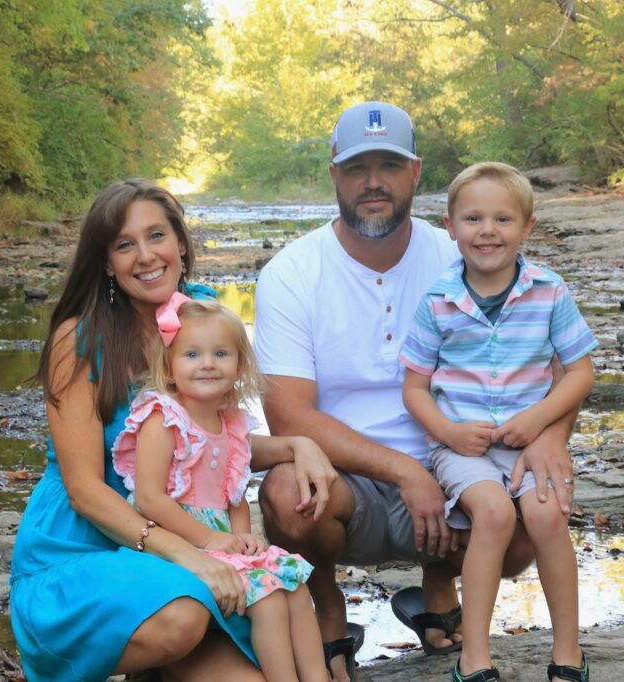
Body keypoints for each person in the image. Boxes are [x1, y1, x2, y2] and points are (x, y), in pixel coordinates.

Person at [252, 102, 583, 682]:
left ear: (415, 173)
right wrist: (407, 473)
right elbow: (288, 417)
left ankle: (439, 587)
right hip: (344, 480)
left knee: (535, 513)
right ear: (334, 173)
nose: (373, 182)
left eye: (389, 165)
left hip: (462, 460)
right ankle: (329, 608)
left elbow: (555, 358)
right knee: (285, 493)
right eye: (358, 168)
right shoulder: (292, 272)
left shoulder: (456, 250)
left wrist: (551, 434)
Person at [9, 178, 336, 682]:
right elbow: (84, 490)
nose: (145, 255)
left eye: (156, 235)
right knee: (183, 617)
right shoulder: (80, 339)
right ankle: (147, 652)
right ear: (106, 262)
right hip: (88, 548)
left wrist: (297, 444)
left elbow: (210, 441)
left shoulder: (198, 317)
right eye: (124, 244)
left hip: (181, 539)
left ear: (180, 244)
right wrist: (193, 554)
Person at [400, 162, 596, 682]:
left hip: (526, 442)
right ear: (451, 226)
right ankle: (475, 658)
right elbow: (415, 389)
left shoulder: (549, 291)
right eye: (473, 219)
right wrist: (447, 433)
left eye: (503, 219)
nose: (487, 231)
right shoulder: (438, 301)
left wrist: (539, 420)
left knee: (549, 514)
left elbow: (579, 372)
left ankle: (568, 654)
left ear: (527, 227)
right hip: (459, 447)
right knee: (492, 513)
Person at [111, 294, 328, 682]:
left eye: (221, 354)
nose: (208, 363)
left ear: (239, 365)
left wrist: (242, 539)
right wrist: (210, 539)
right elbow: (149, 498)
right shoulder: (163, 417)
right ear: (170, 366)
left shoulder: (232, 424)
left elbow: (234, 495)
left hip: (218, 540)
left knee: (294, 584)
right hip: (172, 541)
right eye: (192, 354)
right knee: (269, 597)